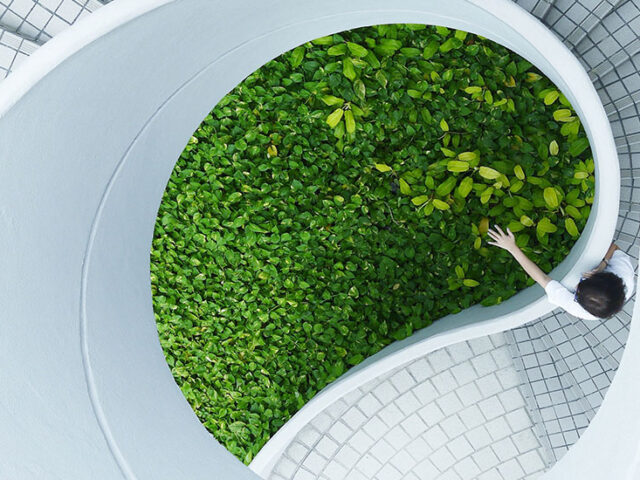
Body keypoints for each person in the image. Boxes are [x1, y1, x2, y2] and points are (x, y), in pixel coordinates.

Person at [487, 225, 635, 320]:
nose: (576, 289)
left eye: (577, 294)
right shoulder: (624, 275)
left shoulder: (577, 308)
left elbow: (543, 279)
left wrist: (512, 248)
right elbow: (614, 247)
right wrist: (603, 264)